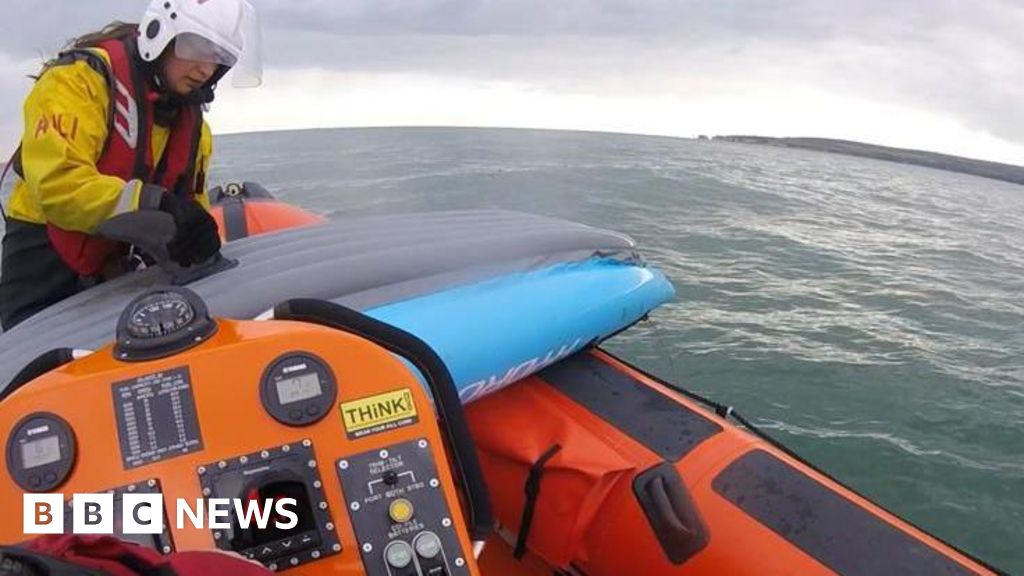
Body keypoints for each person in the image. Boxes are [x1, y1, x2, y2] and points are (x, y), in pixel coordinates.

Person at [0, 0, 262, 329]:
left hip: (123, 264)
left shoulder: (195, 127)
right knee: (32, 356)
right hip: (46, 258)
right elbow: (57, 186)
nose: (206, 70)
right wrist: (153, 203)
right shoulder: (76, 82)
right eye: (196, 48)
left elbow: (190, 206)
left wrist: (197, 237)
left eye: (219, 57)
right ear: (160, 35)